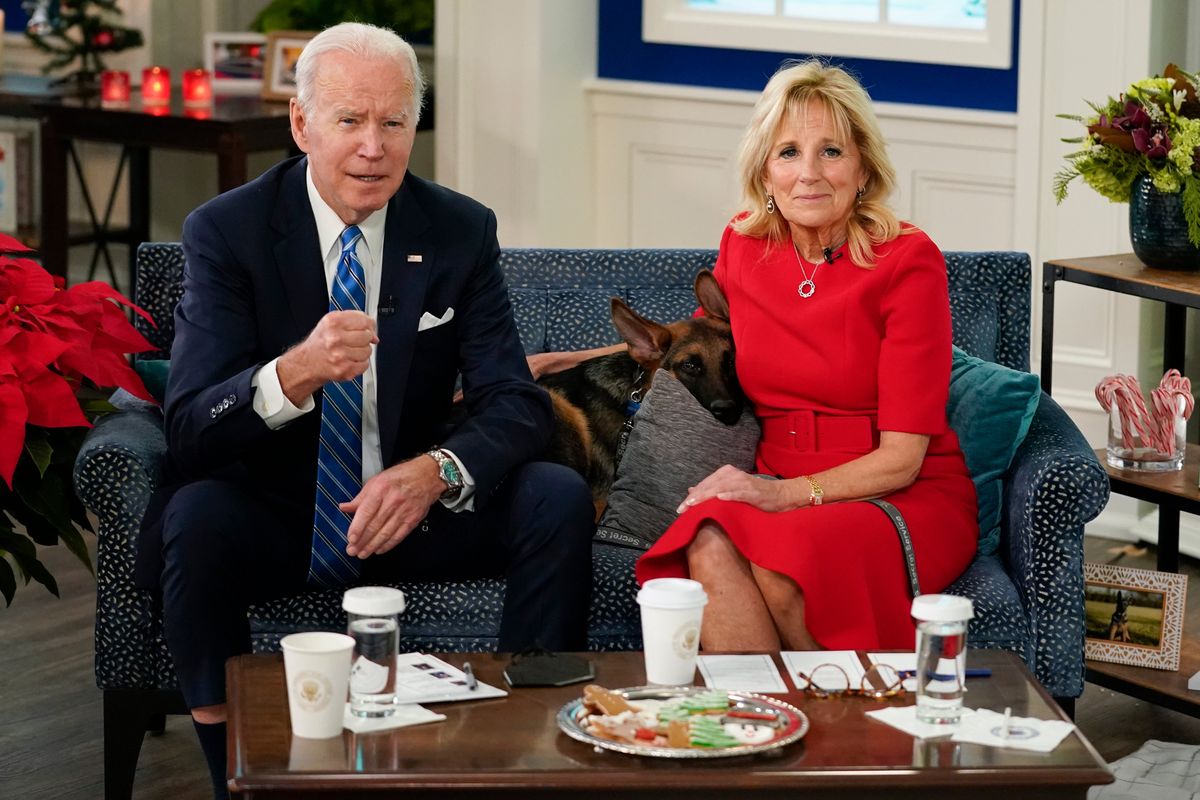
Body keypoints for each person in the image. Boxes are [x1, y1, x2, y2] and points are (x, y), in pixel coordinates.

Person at [138, 22, 594, 798]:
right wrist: (296, 371)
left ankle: (527, 753)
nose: (374, 148)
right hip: (280, 510)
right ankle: (231, 779)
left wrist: (436, 470)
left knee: (554, 495)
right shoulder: (227, 231)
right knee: (195, 518)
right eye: (350, 120)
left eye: (394, 122)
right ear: (301, 123)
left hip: (410, 508)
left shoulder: (459, 228)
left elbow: (513, 402)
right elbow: (188, 428)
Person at [633, 60, 979, 652]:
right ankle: (760, 732)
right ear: (764, 170)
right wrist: (565, 361)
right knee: (708, 539)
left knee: (778, 559)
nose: (809, 174)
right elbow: (693, 339)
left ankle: (847, 731)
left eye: (831, 152)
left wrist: (782, 495)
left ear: (863, 166)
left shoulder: (908, 262)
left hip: (893, 489)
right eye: (788, 151)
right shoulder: (743, 246)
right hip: (778, 474)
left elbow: (902, 458)